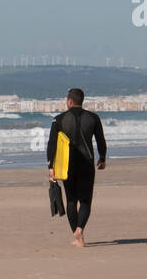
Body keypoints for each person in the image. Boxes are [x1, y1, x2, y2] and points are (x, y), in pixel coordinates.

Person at [46, 88, 107, 247]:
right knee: (86, 201)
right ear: (81, 101)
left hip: (67, 165)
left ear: (70, 101)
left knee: (71, 200)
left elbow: (52, 144)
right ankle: (80, 229)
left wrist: (50, 166)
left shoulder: (58, 119)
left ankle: (77, 236)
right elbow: (101, 140)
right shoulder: (93, 118)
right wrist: (102, 158)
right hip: (87, 163)